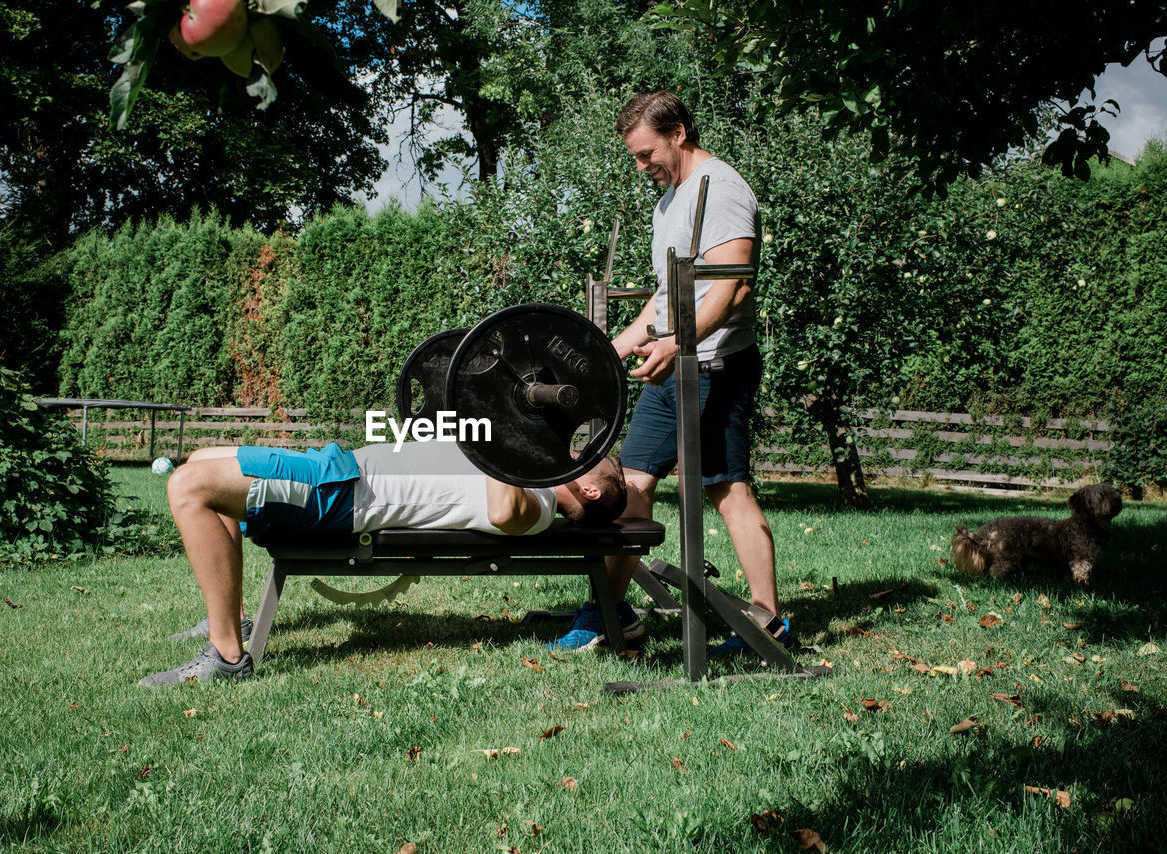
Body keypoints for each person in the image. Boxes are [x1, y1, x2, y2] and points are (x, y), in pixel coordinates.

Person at [549, 90, 790, 655]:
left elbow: (734, 286)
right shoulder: (670, 202)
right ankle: (611, 613)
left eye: (646, 153)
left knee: (724, 488)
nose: (641, 167)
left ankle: (769, 620)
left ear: (678, 132)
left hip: (717, 363)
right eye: (634, 156)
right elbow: (663, 299)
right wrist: (610, 352)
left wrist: (680, 342)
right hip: (675, 364)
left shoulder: (722, 190)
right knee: (631, 483)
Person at [141, 440, 627, 686]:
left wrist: (510, 436)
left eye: (581, 459)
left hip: (339, 493)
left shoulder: (539, 502)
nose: (568, 453)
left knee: (189, 488)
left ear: (585, 487)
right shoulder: (530, 479)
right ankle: (227, 618)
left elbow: (504, 511)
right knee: (199, 460)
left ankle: (226, 655)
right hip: (339, 469)